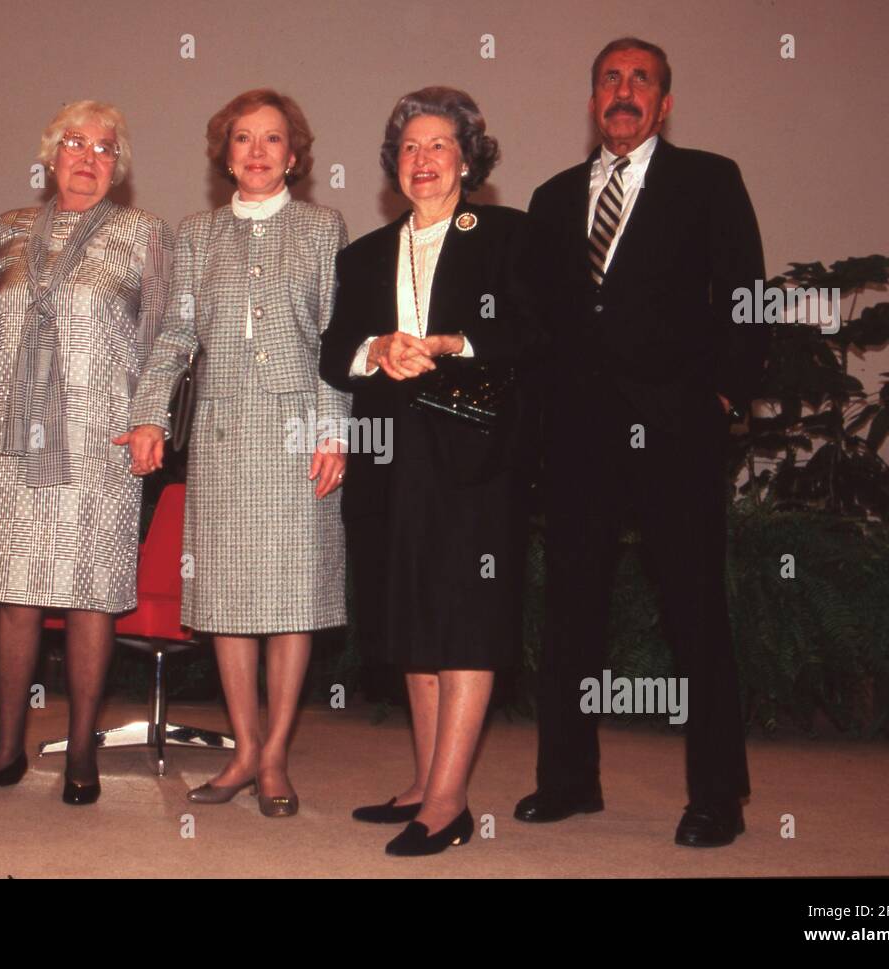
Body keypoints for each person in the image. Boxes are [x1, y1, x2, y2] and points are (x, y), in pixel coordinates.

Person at [516, 37, 769, 847]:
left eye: (641, 81)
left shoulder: (709, 180)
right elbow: (539, 321)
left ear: (664, 104)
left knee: (695, 610)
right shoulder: (552, 198)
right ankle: (567, 779)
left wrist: (724, 394)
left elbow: (744, 294)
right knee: (570, 612)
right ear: (592, 99)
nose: (624, 92)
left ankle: (718, 795)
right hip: (579, 438)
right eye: (609, 80)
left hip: (676, 433)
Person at [319, 87, 535, 856]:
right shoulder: (365, 254)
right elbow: (332, 352)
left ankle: (447, 803)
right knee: (410, 616)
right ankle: (422, 779)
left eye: (440, 145)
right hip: (390, 459)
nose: (424, 160)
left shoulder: (508, 235)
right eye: (410, 148)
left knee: (464, 618)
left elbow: (533, 332)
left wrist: (447, 344)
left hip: (476, 456)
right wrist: (375, 348)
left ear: (469, 157)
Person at [121, 89, 348, 818]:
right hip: (221, 437)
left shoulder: (323, 227)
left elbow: (336, 340)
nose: (257, 151)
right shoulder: (196, 233)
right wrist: (150, 413)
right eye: (243, 139)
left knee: (290, 602)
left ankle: (275, 754)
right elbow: (178, 337)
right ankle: (244, 749)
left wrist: (334, 429)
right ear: (225, 152)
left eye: (272, 139)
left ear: (294, 153)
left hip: (297, 435)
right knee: (226, 602)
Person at [0, 100, 174, 806]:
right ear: (50, 155)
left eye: (106, 147)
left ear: (119, 166)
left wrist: (148, 419)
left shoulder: (144, 233)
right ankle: (7, 748)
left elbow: (167, 337)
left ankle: (80, 751)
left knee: (89, 598)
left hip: (99, 441)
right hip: (16, 439)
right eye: (75, 142)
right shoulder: (6, 230)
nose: (88, 156)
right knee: (13, 593)